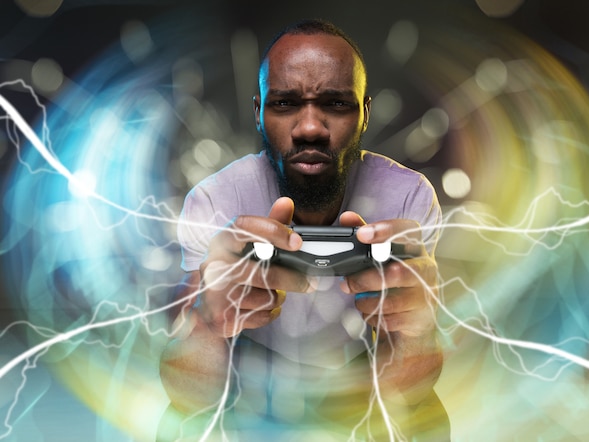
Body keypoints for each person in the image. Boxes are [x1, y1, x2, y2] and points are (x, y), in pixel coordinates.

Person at [158, 19, 450, 441]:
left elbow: (413, 387)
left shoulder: (407, 197)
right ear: (258, 111)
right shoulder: (214, 200)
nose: (310, 128)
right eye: (284, 104)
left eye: (334, 104)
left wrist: (417, 331)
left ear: (365, 112)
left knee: (429, 423)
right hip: (250, 381)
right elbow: (188, 395)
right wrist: (207, 322)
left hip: (355, 379)